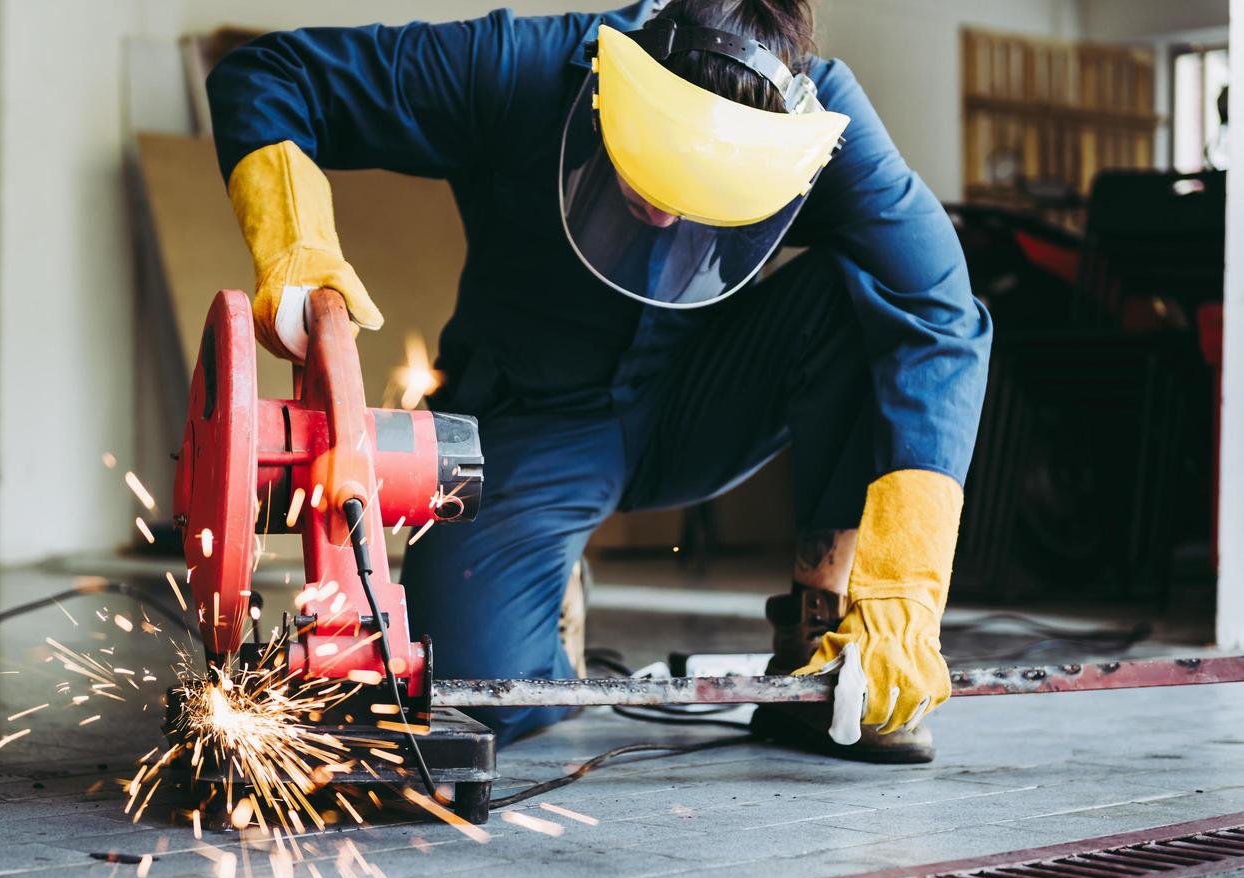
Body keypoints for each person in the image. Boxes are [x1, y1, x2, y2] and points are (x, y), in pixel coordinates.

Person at [207, 0, 992, 763]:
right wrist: (296, 247)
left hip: (703, 403)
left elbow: (943, 314)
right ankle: (548, 612)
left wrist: (904, 593)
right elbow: (270, 74)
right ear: (615, 84)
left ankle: (827, 637)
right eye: (641, 174)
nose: (656, 214)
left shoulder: (821, 131)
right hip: (533, 426)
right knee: (472, 686)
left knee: (867, 298)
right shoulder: (518, 69)